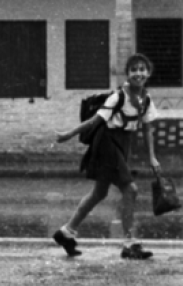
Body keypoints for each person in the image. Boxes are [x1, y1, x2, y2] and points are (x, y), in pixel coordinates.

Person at [53, 53, 161, 260]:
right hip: (107, 144)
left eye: (142, 69)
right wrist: (68, 134)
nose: (138, 73)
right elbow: (94, 121)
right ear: (127, 74)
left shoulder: (145, 99)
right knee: (131, 190)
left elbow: (148, 129)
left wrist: (152, 157)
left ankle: (66, 232)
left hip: (122, 145)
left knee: (99, 193)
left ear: (148, 73)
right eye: (134, 70)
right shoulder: (118, 96)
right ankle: (130, 243)